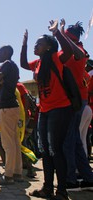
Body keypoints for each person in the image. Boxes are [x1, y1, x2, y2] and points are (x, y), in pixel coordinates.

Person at [20, 20, 74, 199]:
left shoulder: (56, 58)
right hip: (44, 110)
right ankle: (47, 188)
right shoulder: (38, 62)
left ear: (49, 47)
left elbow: (69, 51)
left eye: (39, 43)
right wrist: (25, 43)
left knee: (55, 150)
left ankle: (62, 191)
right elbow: (23, 64)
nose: (36, 46)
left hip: (60, 109)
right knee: (45, 151)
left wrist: (56, 32)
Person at [59, 19, 93, 191]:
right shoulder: (78, 49)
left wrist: (62, 31)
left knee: (69, 142)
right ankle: (88, 178)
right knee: (78, 142)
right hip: (79, 101)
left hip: (75, 102)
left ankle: (71, 181)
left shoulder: (77, 51)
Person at [0, 45, 22, 185]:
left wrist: (0, 80)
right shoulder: (13, 66)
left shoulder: (7, 64)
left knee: (7, 144)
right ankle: (17, 173)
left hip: (6, 108)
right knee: (15, 143)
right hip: (13, 108)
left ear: (6, 53)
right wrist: (0, 81)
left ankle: (8, 175)